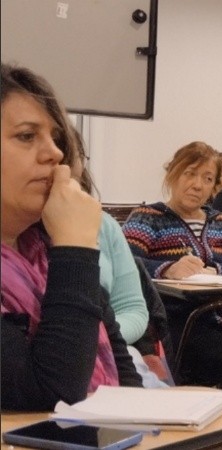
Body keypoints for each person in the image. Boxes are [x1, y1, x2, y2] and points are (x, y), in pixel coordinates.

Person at [1, 63, 141, 411]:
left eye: (55, 138)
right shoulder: (66, 247)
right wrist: (75, 247)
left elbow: (123, 369)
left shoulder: (46, 249)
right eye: (26, 136)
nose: (56, 153)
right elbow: (52, 395)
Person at [122, 141, 222, 385]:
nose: (197, 185)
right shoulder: (148, 218)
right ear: (172, 174)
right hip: (178, 317)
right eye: (190, 174)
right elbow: (126, 264)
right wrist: (167, 269)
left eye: (207, 178)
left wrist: (216, 270)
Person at [70, 129, 170, 388]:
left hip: (115, 353)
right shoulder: (149, 216)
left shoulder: (102, 225)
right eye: (25, 137)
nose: (52, 156)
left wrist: (99, 336)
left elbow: (134, 311)